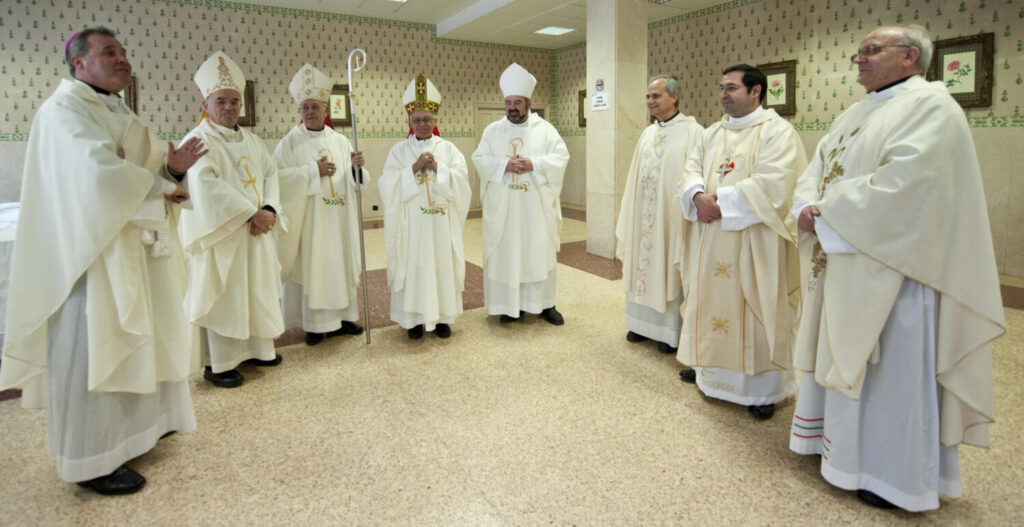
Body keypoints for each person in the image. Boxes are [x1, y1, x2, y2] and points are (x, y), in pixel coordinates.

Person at [788, 25, 1004, 512]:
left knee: (892, 371)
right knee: (843, 353)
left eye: (870, 51)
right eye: (858, 51)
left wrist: (825, 211)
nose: (858, 60)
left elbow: (910, 188)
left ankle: (892, 475)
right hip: (844, 259)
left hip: (899, 272)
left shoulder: (932, 107)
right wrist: (805, 207)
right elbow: (816, 170)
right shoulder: (854, 112)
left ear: (909, 56)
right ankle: (834, 450)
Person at [0, 27, 203, 495]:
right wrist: (159, 185)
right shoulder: (62, 111)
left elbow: (140, 172)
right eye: (109, 52)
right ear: (78, 63)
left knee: (137, 336)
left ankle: (141, 430)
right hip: (90, 259)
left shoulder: (116, 109)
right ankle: (91, 458)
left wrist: (171, 171)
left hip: (129, 248)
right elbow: (95, 177)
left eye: (124, 52)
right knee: (94, 344)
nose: (122, 59)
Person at [676, 64, 806, 420]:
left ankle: (762, 390)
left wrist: (719, 203)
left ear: (756, 92)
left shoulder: (778, 132)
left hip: (754, 240)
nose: (723, 94)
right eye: (721, 88)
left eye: (731, 88)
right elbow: (690, 169)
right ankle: (709, 375)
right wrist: (697, 194)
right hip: (710, 236)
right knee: (709, 299)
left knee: (753, 305)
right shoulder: (712, 132)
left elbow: (777, 184)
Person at [179, 51, 285, 388]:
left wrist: (269, 209)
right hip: (223, 236)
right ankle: (220, 363)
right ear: (205, 101)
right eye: (221, 101)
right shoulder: (197, 141)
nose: (228, 107)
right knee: (227, 294)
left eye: (234, 101)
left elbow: (271, 174)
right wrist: (250, 213)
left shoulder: (252, 141)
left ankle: (259, 349)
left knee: (256, 290)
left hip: (256, 233)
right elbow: (205, 185)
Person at [274, 63, 365, 346]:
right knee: (313, 266)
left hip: (338, 218)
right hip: (309, 221)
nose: (311, 112)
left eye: (316, 107)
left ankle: (345, 317)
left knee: (340, 262)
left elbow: (356, 180)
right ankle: (314, 325)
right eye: (305, 107)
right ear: (299, 111)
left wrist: (356, 169)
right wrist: (312, 172)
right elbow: (276, 179)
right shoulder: (288, 143)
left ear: (326, 110)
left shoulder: (340, 140)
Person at [471, 63, 569, 326]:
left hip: (536, 210)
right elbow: (479, 158)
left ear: (529, 103)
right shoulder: (493, 131)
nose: (512, 107)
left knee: (539, 251)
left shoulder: (546, 130)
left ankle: (546, 304)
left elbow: (561, 157)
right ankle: (509, 306)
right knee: (507, 253)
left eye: (517, 102)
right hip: (504, 210)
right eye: (508, 102)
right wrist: (504, 165)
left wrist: (534, 164)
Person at [615, 75, 704, 354]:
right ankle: (640, 325)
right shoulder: (647, 133)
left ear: (674, 97)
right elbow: (635, 176)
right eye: (648, 96)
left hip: (670, 218)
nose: (650, 101)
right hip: (644, 215)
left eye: (656, 96)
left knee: (668, 265)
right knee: (642, 264)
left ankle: (667, 332)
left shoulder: (694, 132)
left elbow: (695, 174)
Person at [379, 75, 471, 340]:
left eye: (426, 119)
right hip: (412, 225)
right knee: (415, 266)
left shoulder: (450, 150)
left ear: (435, 121)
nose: (421, 124)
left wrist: (439, 169)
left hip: (441, 223)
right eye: (416, 120)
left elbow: (463, 183)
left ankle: (443, 317)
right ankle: (413, 320)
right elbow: (387, 185)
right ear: (409, 122)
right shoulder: (398, 151)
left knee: (442, 265)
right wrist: (414, 168)